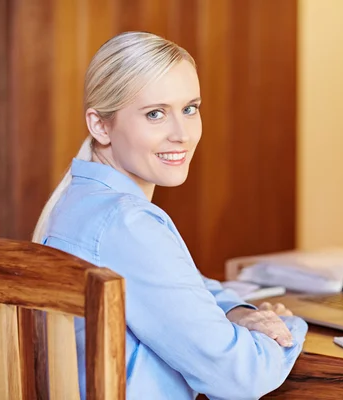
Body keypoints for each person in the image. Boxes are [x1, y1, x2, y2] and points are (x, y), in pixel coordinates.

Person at [32, 31, 307, 399]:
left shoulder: (78, 201)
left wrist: (237, 311)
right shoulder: (127, 223)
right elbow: (241, 378)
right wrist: (285, 325)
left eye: (190, 108)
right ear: (100, 125)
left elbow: (186, 285)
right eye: (156, 114)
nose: (182, 134)